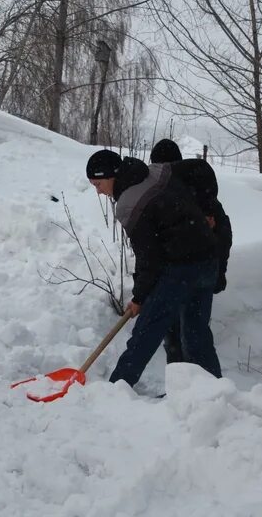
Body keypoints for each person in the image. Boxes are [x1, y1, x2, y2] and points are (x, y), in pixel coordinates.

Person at [86, 149, 220, 387]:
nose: (97, 191)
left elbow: (149, 257)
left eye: (98, 183)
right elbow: (202, 170)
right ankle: (211, 395)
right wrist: (206, 209)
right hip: (207, 259)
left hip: (182, 268)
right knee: (196, 334)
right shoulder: (156, 171)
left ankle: (115, 389)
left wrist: (140, 297)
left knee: (146, 331)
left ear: (111, 176)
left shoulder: (128, 204)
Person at [149, 139, 231, 376]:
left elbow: (221, 236)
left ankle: (210, 390)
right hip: (176, 277)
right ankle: (181, 391)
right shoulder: (174, 195)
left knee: (192, 335)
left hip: (189, 276)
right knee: (179, 335)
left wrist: (218, 271)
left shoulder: (196, 195)